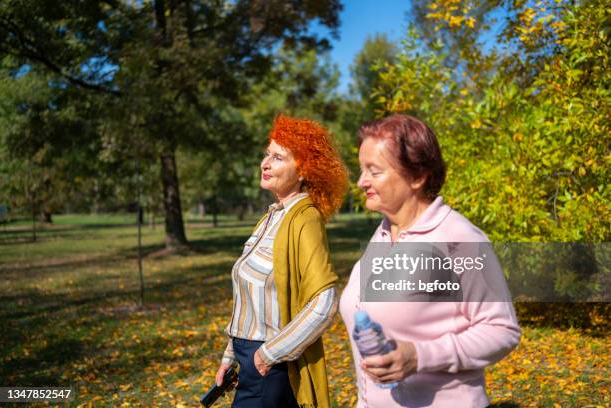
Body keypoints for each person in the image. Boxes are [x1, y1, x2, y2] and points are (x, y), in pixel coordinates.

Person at [339, 114, 521, 407]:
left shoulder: (459, 239)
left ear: (417, 176)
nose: (361, 182)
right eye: (362, 170)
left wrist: (420, 355)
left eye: (374, 171)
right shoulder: (384, 232)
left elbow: (502, 331)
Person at [215, 114, 349, 408]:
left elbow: (324, 303)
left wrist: (267, 355)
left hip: (270, 367)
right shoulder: (271, 217)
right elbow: (253, 297)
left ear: (304, 171)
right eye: (267, 154)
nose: (265, 163)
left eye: (277, 157)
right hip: (249, 360)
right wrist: (231, 356)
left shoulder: (305, 219)